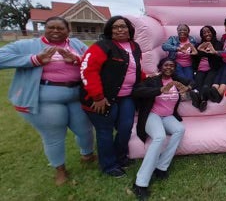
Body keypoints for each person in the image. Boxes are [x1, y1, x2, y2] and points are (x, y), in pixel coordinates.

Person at [0, 16, 95, 185]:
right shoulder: (28, 45)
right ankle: (60, 169)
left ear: (68, 31)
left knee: (85, 128)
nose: (56, 31)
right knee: (54, 134)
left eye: (60, 28)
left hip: (76, 95)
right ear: (45, 29)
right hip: (47, 98)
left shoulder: (76, 45)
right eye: (51, 27)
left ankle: (87, 155)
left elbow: (92, 61)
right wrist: (34, 60)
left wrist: (76, 60)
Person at [80, 15, 144, 177]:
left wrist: (148, 78)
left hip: (127, 96)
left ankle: (121, 158)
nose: (120, 29)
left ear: (130, 29)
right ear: (110, 30)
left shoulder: (135, 46)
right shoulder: (102, 46)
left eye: (123, 26)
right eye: (115, 27)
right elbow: (88, 70)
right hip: (103, 98)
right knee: (105, 131)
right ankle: (109, 165)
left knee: (125, 128)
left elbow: (133, 70)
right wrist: (97, 97)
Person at [131, 58, 189, 200]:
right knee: (159, 137)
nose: (169, 67)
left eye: (172, 65)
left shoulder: (176, 81)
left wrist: (187, 89)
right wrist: (159, 90)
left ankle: (161, 167)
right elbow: (136, 91)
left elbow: (191, 84)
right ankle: (140, 183)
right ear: (160, 67)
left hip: (168, 116)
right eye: (166, 65)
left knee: (179, 129)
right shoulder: (153, 80)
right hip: (152, 115)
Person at [190, 25, 224, 111]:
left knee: (206, 86)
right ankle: (201, 103)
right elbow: (194, 56)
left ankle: (200, 101)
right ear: (202, 35)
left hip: (212, 69)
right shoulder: (198, 45)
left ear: (212, 33)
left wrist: (200, 51)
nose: (207, 34)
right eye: (204, 33)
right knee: (197, 87)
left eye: (208, 32)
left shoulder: (218, 44)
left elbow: (217, 56)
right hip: (200, 69)